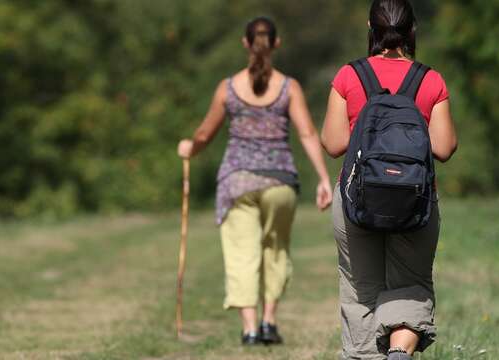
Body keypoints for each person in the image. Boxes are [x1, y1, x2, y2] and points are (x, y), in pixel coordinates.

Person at [177, 16, 333, 346]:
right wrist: (323, 178)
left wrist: (190, 148)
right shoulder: (289, 88)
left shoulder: (228, 87)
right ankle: (269, 323)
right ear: (276, 44)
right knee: (274, 251)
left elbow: (205, 132)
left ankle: (249, 329)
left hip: (238, 183)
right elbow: (307, 133)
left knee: (241, 254)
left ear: (245, 44)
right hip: (280, 183)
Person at [320, 1, 458, 359]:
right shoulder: (430, 80)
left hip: (356, 199)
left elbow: (333, 144)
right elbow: (443, 148)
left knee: (360, 291)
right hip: (415, 200)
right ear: (413, 30)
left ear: (371, 26)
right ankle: (398, 350)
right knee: (410, 287)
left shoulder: (350, 76)